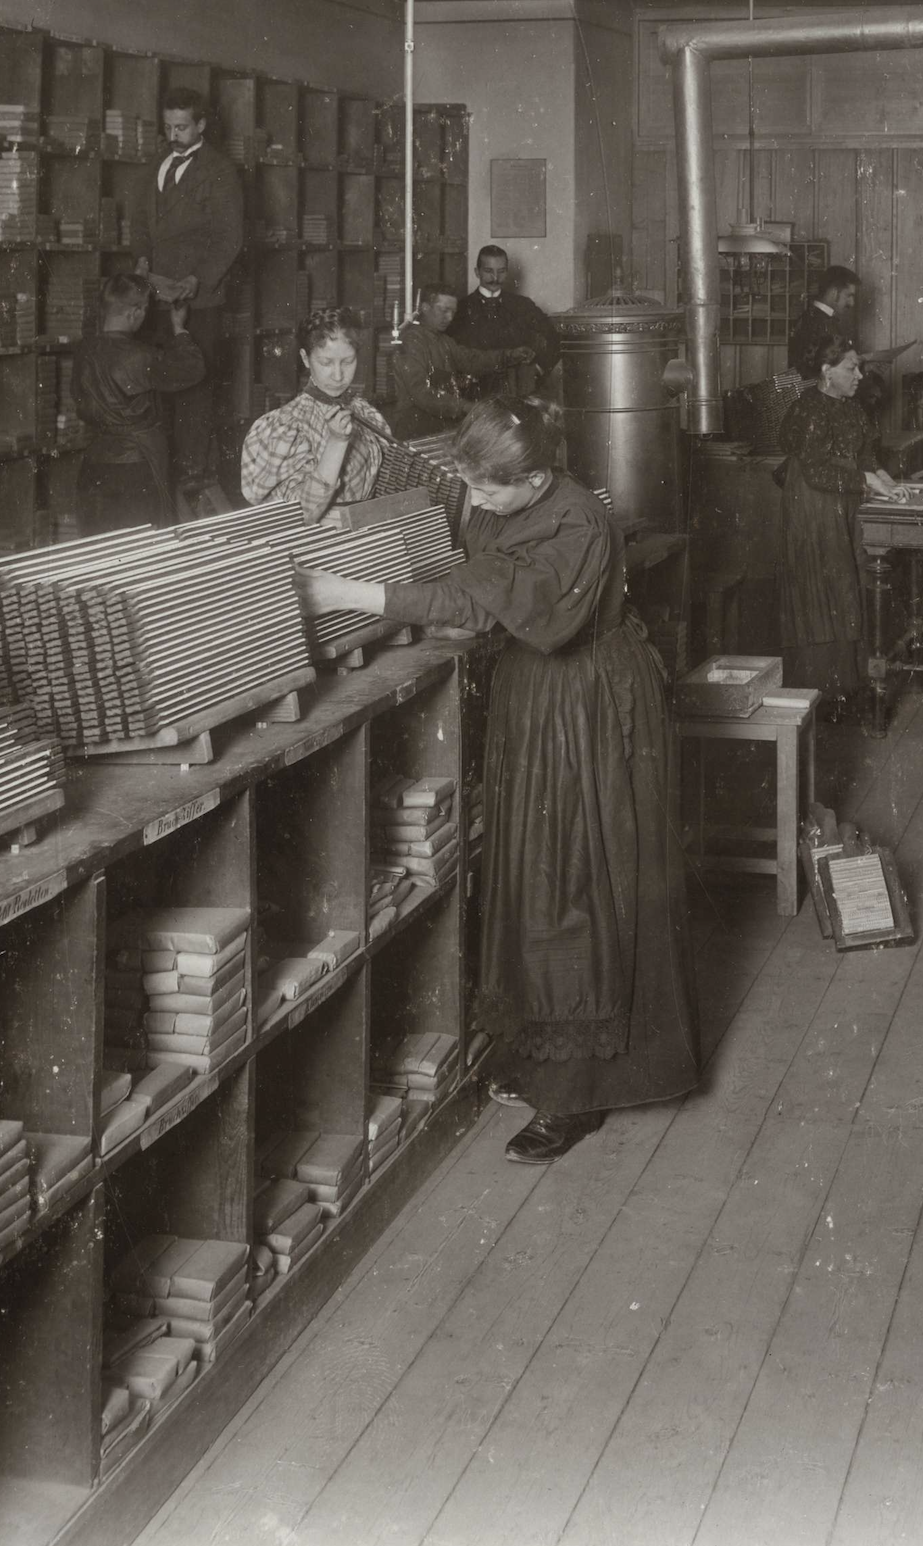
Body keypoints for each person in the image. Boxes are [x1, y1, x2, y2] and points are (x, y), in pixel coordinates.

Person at [291, 398, 698, 1164]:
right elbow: (481, 573)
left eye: (489, 492)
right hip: (538, 696)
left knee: (577, 881)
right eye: (470, 487)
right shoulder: (500, 494)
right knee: (534, 875)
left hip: (587, 704)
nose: (474, 503)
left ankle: (583, 1091)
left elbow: (478, 596)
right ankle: (546, 1057)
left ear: (538, 478)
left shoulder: (577, 523)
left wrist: (350, 596)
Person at [775, 336, 902, 698]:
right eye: (851, 368)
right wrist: (870, 483)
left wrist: (891, 484)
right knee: (825, 590)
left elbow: (866, 458)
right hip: (814, 508)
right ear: (827, 372)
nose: (860, 375)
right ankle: (823, 690)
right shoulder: (810, 409)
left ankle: (853, 681)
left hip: (844, 503)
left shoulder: (852, 408)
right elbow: (816, 471)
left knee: (851, 583)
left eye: (859, 367)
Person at [142, 86, 243, 499]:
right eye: (168, 126)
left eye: (181, 126)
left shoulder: (220, 170)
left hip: (198, 300)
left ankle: (192, 476)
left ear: (200, 125)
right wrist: (141, 262)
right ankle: (161, 476)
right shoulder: (157, 164)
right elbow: (142, 225)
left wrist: (198, 279)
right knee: (156, 384)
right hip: (155, 298)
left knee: (194, 391)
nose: (173, 134)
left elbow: (229, 237)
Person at [74, 275, 205, 535]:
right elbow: (194, 369)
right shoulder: (140, 356)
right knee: (144, 551)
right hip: (136, 468)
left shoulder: (84, 351)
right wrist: (179, 328)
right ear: (135, 313)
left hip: (95, 464)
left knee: (98, 548)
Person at [239, 308, 393, 522]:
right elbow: (299, 516)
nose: (338, 375)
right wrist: (337, 443)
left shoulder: (366, 414)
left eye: (348, 362)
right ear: (305, 358)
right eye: (326, 363)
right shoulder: (285, 426)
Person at [391, 284, 530, 439]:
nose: (449, 318)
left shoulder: (445, 341)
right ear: (424, 308)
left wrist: (511, 355)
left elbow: (473, 360)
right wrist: (465, 406)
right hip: (414, 428)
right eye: (444, 310)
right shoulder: (412, 340)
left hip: (439, 425)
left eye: (453, 312)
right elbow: (421, 393)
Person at [449, 246, 560, 397]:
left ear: (507, 272)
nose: (495, 278)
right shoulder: (460, 308)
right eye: (488, 271)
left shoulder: (523, 305)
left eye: (501, 271)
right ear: (477, 272)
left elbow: (554, 337)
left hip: (517, 391)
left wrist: (538, 369)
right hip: (474, 394)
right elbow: (448, 351)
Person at [788, 265, 858, 379]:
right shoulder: (822, 322)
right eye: (849, 296)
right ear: (834, 293)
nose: (852, 303)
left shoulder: (810, 316)